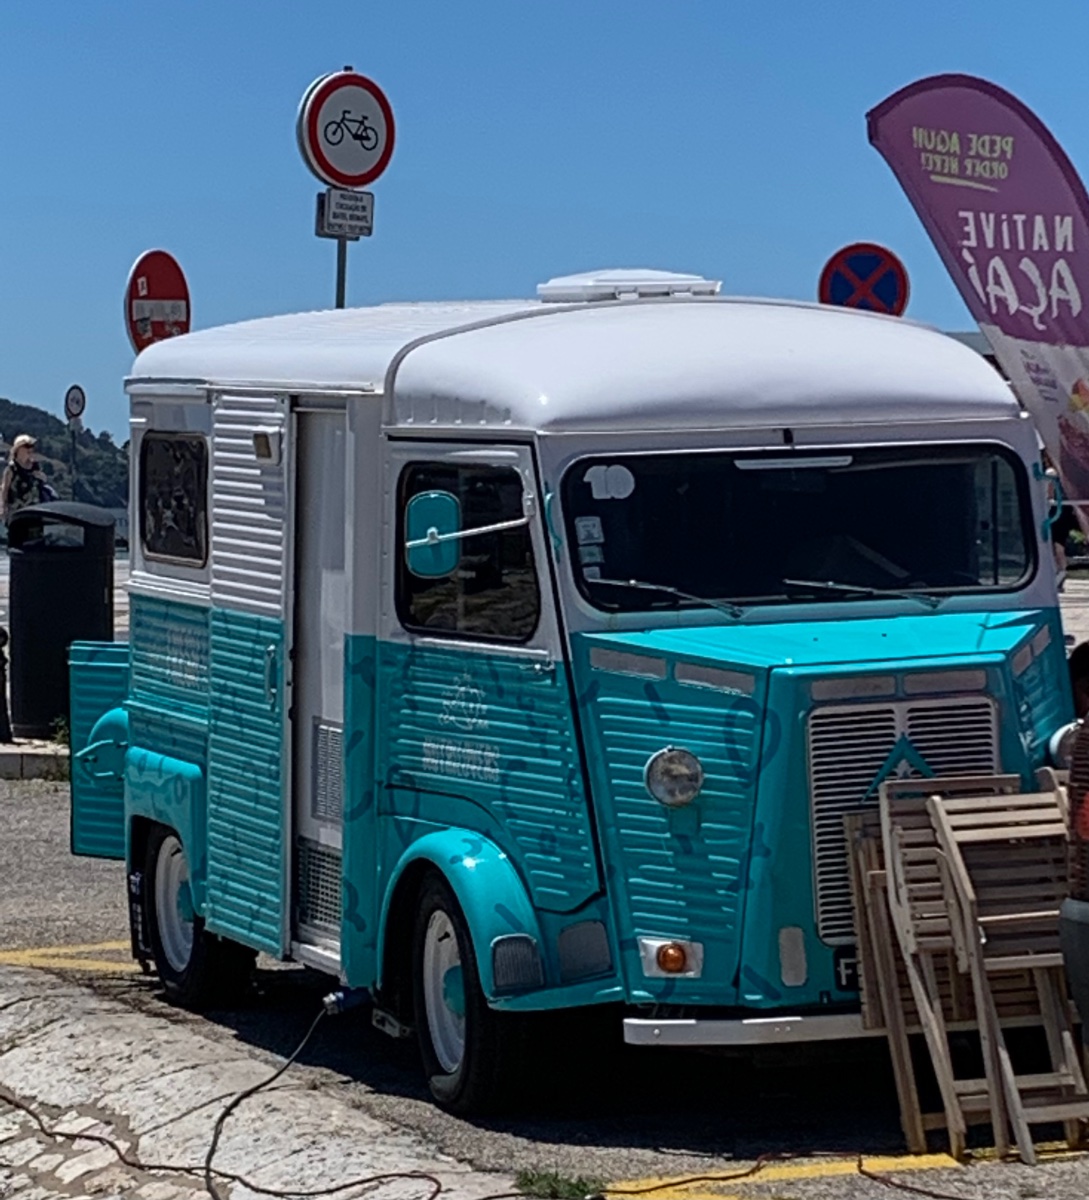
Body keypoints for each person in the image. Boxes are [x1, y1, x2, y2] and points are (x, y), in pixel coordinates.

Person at [0, 435, 53, 522]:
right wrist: (2, 508)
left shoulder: (35, 466)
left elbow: (43, 482)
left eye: (31, 446)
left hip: (35, 511)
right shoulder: (11, 469)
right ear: (18, 449)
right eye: (26, 446)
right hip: (16, 512)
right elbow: (4, 489)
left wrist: (41, 477)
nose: (30, 449)